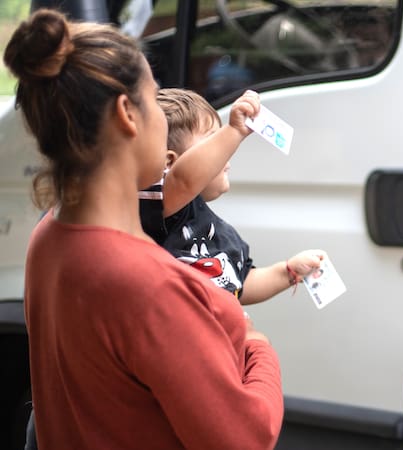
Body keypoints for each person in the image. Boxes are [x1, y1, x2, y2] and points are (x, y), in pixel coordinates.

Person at [4, 9, 283, 449]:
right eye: (155, 100)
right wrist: (256, 345)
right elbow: (246, 439)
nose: (164, 113)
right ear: (127, 116)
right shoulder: (150, 287)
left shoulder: (51, 234)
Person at [139, 87, 326, 302]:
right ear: (169, 163)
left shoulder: (218, 230)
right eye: (213, 139)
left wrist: (288, 272)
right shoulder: (163, 211)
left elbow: (241, 283)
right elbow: (184, 180)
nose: (225, 149)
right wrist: (234, 131)